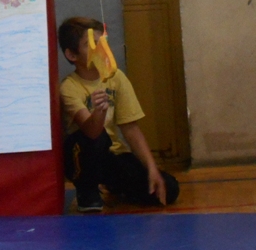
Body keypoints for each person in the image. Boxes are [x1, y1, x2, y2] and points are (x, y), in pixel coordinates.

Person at [57, 16, 179, 212]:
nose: (101, 49)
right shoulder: (69, 87)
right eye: (92, 45)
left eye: (103, 42)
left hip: (112, 155)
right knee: (100, 138)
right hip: (82, 156)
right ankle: (87, 190)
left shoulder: (117, 78)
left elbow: (130, 128)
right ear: (72, 55)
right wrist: (99, 111)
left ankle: (115, 186)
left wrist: (152, 169)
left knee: (169, 188)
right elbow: (91, 132)